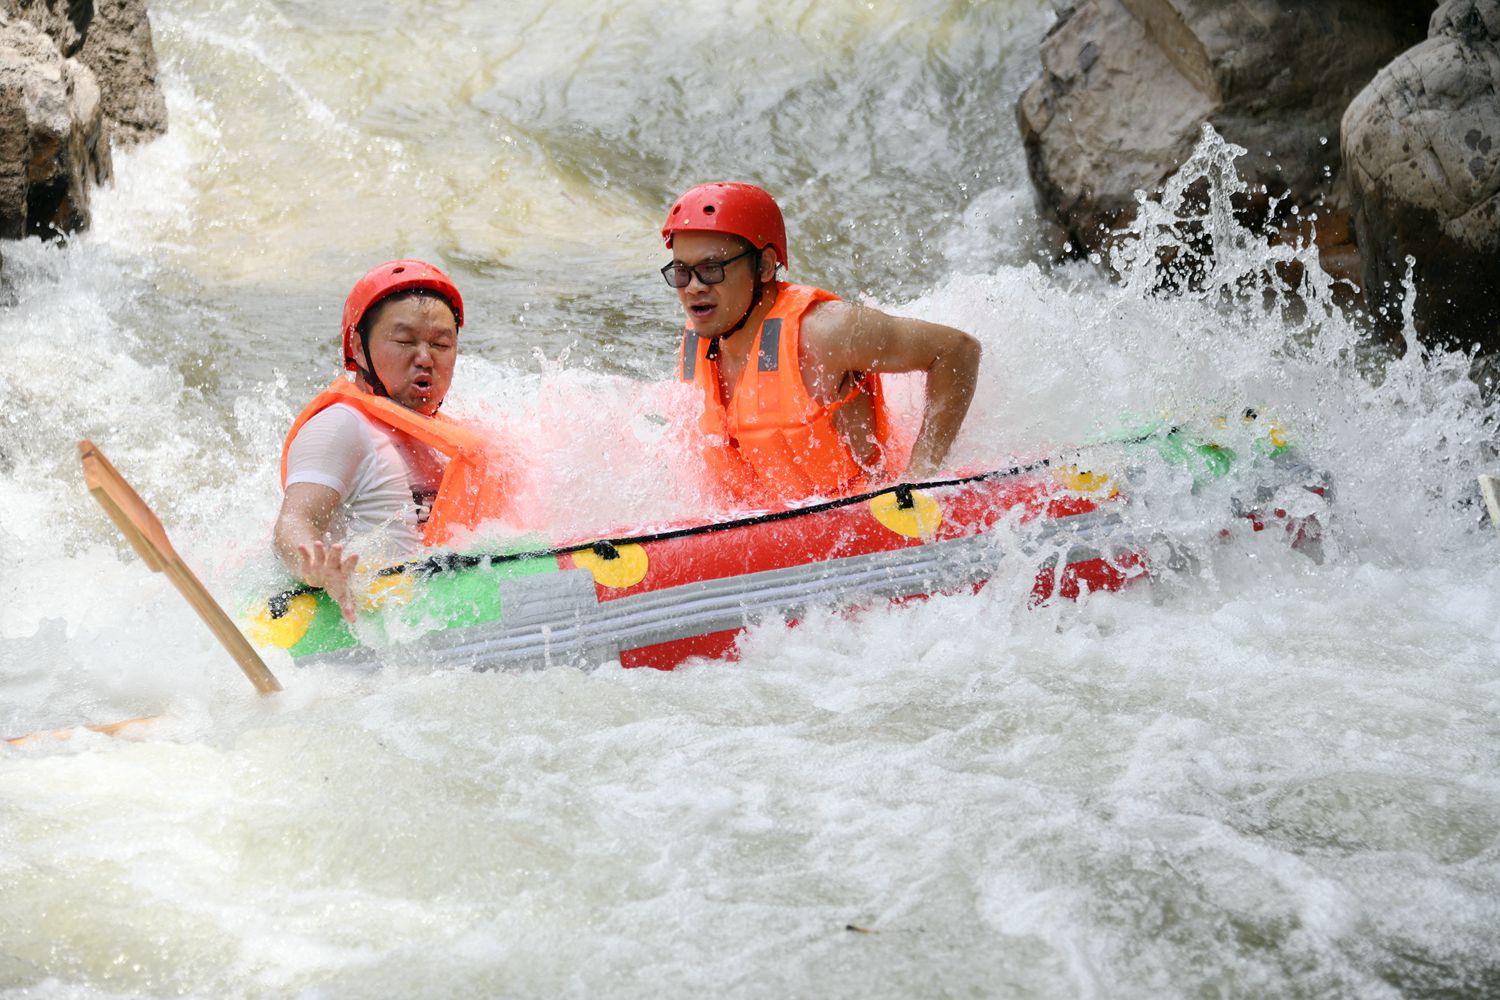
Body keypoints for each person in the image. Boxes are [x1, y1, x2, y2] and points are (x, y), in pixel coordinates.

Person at [660, 182, 981, 507]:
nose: (693, 288)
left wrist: (919, 483)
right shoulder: (693, 349)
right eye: (682, 272)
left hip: (865, 521)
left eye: (711, 269)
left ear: (766, 265)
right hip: (773, 534)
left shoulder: (825, 332)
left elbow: (956, 350)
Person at [273, 260, 506, 622]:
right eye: (404, 341)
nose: (425, 358)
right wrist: (315, 568)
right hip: (370, 622)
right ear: (358, 345)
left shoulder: (451, 440)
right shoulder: (341, 426)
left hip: (443, 611)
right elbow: (293, 521)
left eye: (441, 344)